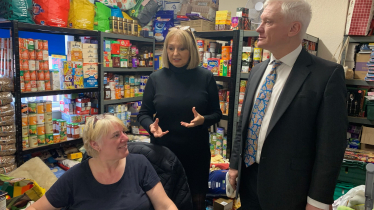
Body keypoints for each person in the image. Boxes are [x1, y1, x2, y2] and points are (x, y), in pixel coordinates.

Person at [228, 0, 347, 210]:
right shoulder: (257, 71)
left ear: (294, 28)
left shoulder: (326, 75)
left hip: (290, 192)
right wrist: (234, 166)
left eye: (268, 21)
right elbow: (244, 124)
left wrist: (318, 200)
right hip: (248, 183)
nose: (258, 28)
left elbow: (331, 147)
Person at [138, 26, 222, 210]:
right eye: (171, 48)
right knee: (164, 204)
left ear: (191, 50)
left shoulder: (205, 77)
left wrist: (203, 120)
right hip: (162, 155)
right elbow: (143, 114)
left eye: (182, 48)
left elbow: (217, 114)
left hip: (196, 156)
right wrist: (151, 126)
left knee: (194, 204)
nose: (175, 53)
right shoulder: (156, 78)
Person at [26, 114, 177, 210]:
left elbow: (165, 205)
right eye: (116, 135)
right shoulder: (76, 176)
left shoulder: (139, 164)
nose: (125, 138)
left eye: (124, 132)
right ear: (95, 145)